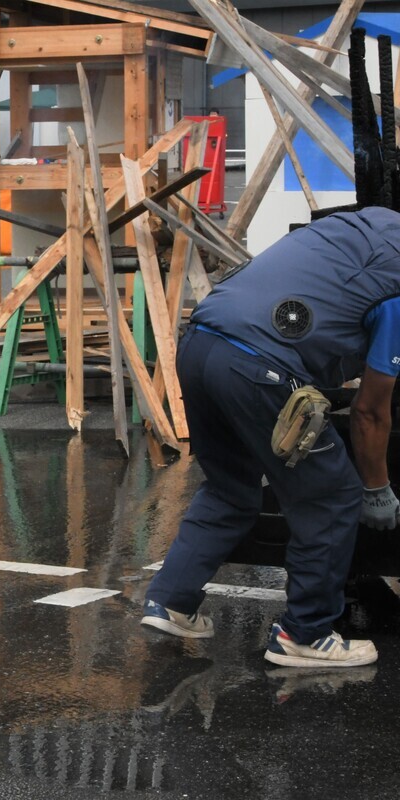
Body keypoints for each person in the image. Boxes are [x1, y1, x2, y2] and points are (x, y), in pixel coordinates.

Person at [140, 207, 400, 669]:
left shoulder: (365, 225)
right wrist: (376, 489)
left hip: (200, 343)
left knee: (230, 487)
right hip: (258, 366)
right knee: (331, 493)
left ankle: (171, 601)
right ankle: (307, 632)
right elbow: (370, 413)